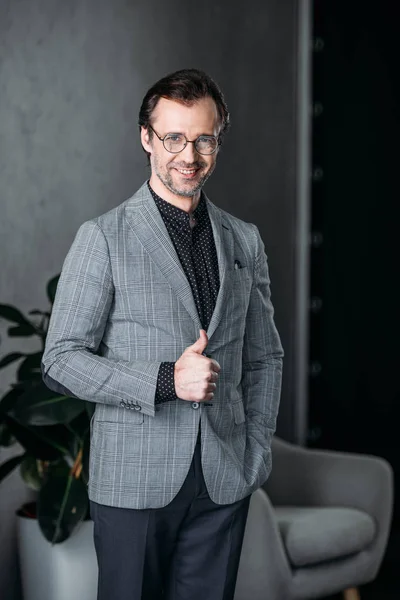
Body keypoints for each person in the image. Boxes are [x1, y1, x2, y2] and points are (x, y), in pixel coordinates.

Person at [42, 68, 284, 600]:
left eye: (204, 139)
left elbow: (266, 358)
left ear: (219, 139)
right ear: (146, 139)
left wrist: (256, 450)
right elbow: (59, 359)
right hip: (133, 484)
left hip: (224, 479)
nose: (189, 156)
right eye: (174, 137)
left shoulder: (244, 240)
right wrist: (166, 380)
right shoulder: (102, 237)